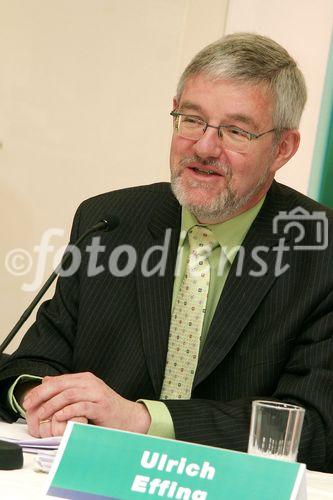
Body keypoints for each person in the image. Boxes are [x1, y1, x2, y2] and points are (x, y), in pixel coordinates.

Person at [0, 32, 332, 473]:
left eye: (235, 131)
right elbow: (34, 363)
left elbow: (314, 429)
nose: (204, 147)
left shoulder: (320, 250)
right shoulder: (109, 221)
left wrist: (143, 420)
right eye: (191, 119)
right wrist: (45, 400)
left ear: (283, 149)